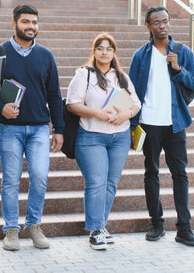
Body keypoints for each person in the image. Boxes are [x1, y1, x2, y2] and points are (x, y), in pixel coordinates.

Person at [0, 4, 64, 251]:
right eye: (25, 22)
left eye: (34, 22)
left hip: (38, 129)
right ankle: (11, 230)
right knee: (11, 180)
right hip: (8, 129)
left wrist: (59, 129)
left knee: (39, 177)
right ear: (13, 23)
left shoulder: (46, 55)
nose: (31, 26)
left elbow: (55, 95)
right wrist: (1, 106)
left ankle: (33, 225)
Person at [129, 6, 194, 246]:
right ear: (148, 26)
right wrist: (131, 124)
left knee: (180, 174)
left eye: (165, 21)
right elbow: (130, 91)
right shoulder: (140, 55)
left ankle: (184, 227)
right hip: (149, 123)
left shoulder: (183, 51)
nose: (162, 26)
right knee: (151, 173)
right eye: (156, 22)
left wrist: (178, 70)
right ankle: (156, 223)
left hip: (175, 123)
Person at [66, 33, 141, 250]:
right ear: (94, 51)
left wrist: (127, 114)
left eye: (109, 48)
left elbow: (135, 104)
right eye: (100, 48)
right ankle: (96, 230)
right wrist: (96, 113)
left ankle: (101, 226)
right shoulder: (84, 75)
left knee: (111, 183)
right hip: (91, 136)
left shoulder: (122, 77)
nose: (104, 52)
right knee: (96, 182)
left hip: (120, 137)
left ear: (114, 53)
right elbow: (72, 104)